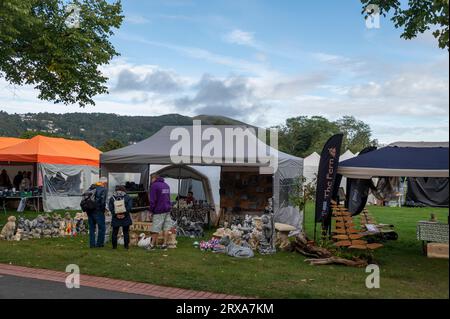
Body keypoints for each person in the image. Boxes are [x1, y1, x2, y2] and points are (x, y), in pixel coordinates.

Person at [148, 174, 173, 250]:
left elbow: (152, 200)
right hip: (167, 209)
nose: (150, 181)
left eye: (151, 179)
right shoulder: (166, 185)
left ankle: (152, 245)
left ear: (154, 178)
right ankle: (164, 245)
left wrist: (151, 211)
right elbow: (168, 198)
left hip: (158, 210)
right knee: (166, 228)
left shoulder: (154, 186)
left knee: (155, 228)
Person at [109, 185, 133, 250]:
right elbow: (129, 207)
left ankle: (114, 247)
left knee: (114, 232)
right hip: (125, 217)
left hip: (115, 217)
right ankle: (126, 246)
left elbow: (110, 208)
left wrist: (116, 215)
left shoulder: (112, 198)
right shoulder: (127, 197)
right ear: (124, 190)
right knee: (126, 232)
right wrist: (124, 214)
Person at [87, 177, 107, 248]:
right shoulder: (103, 189)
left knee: (92, 228)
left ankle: (92, 244)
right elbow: (103, 201)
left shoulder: (91, 187)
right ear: (104, 183)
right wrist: (103, 210)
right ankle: (99, 244)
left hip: (89, 210)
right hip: (98, 211)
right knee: (102, 228)